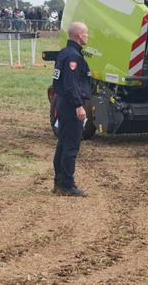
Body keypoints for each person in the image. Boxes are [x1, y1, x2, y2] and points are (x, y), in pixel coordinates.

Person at [52, 22, 92, 196]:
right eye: (86, 33)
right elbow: (70, 84)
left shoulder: (64, 53)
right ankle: (67, 185)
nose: (87, 36)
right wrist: (78, 105)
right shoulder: (73, 57)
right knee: (71, 146)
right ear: (78, 36)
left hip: (62, 103)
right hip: (70, 105)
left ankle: (59, 182)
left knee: (62, 143)